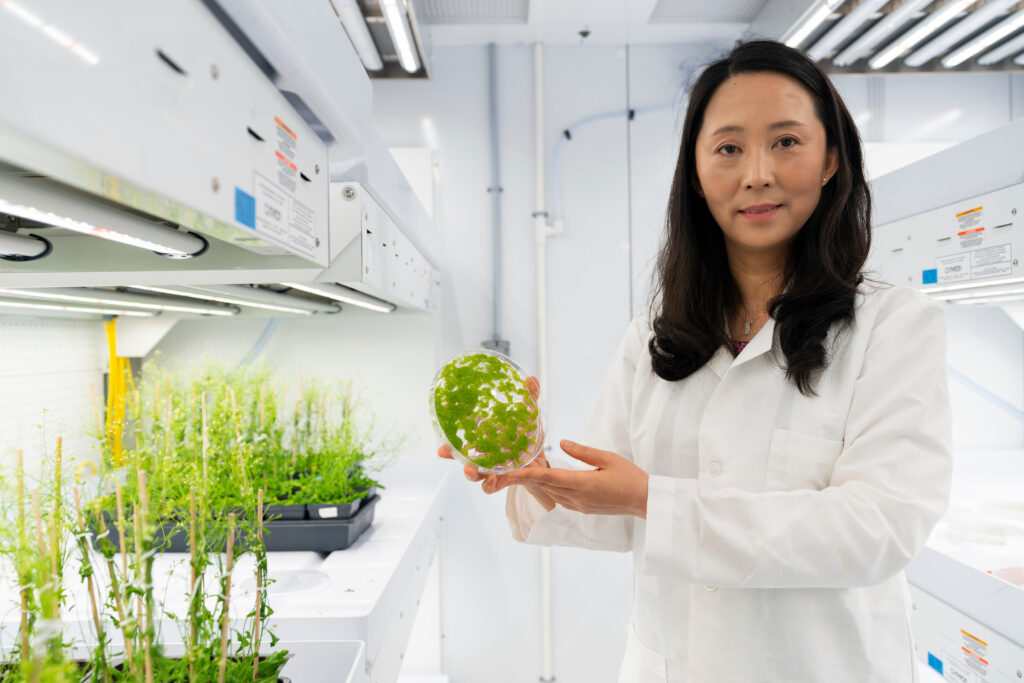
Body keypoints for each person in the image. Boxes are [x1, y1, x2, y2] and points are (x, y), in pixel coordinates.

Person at [439, 40, 952, 682]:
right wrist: (532, 471)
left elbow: (878, 528)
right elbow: (614, 513)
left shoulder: (893, 326)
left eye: (786, 141)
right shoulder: (656, 336)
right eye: (729, 148)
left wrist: (657, 502)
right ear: (696, 172)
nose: (756, 173)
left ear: (830, 160)